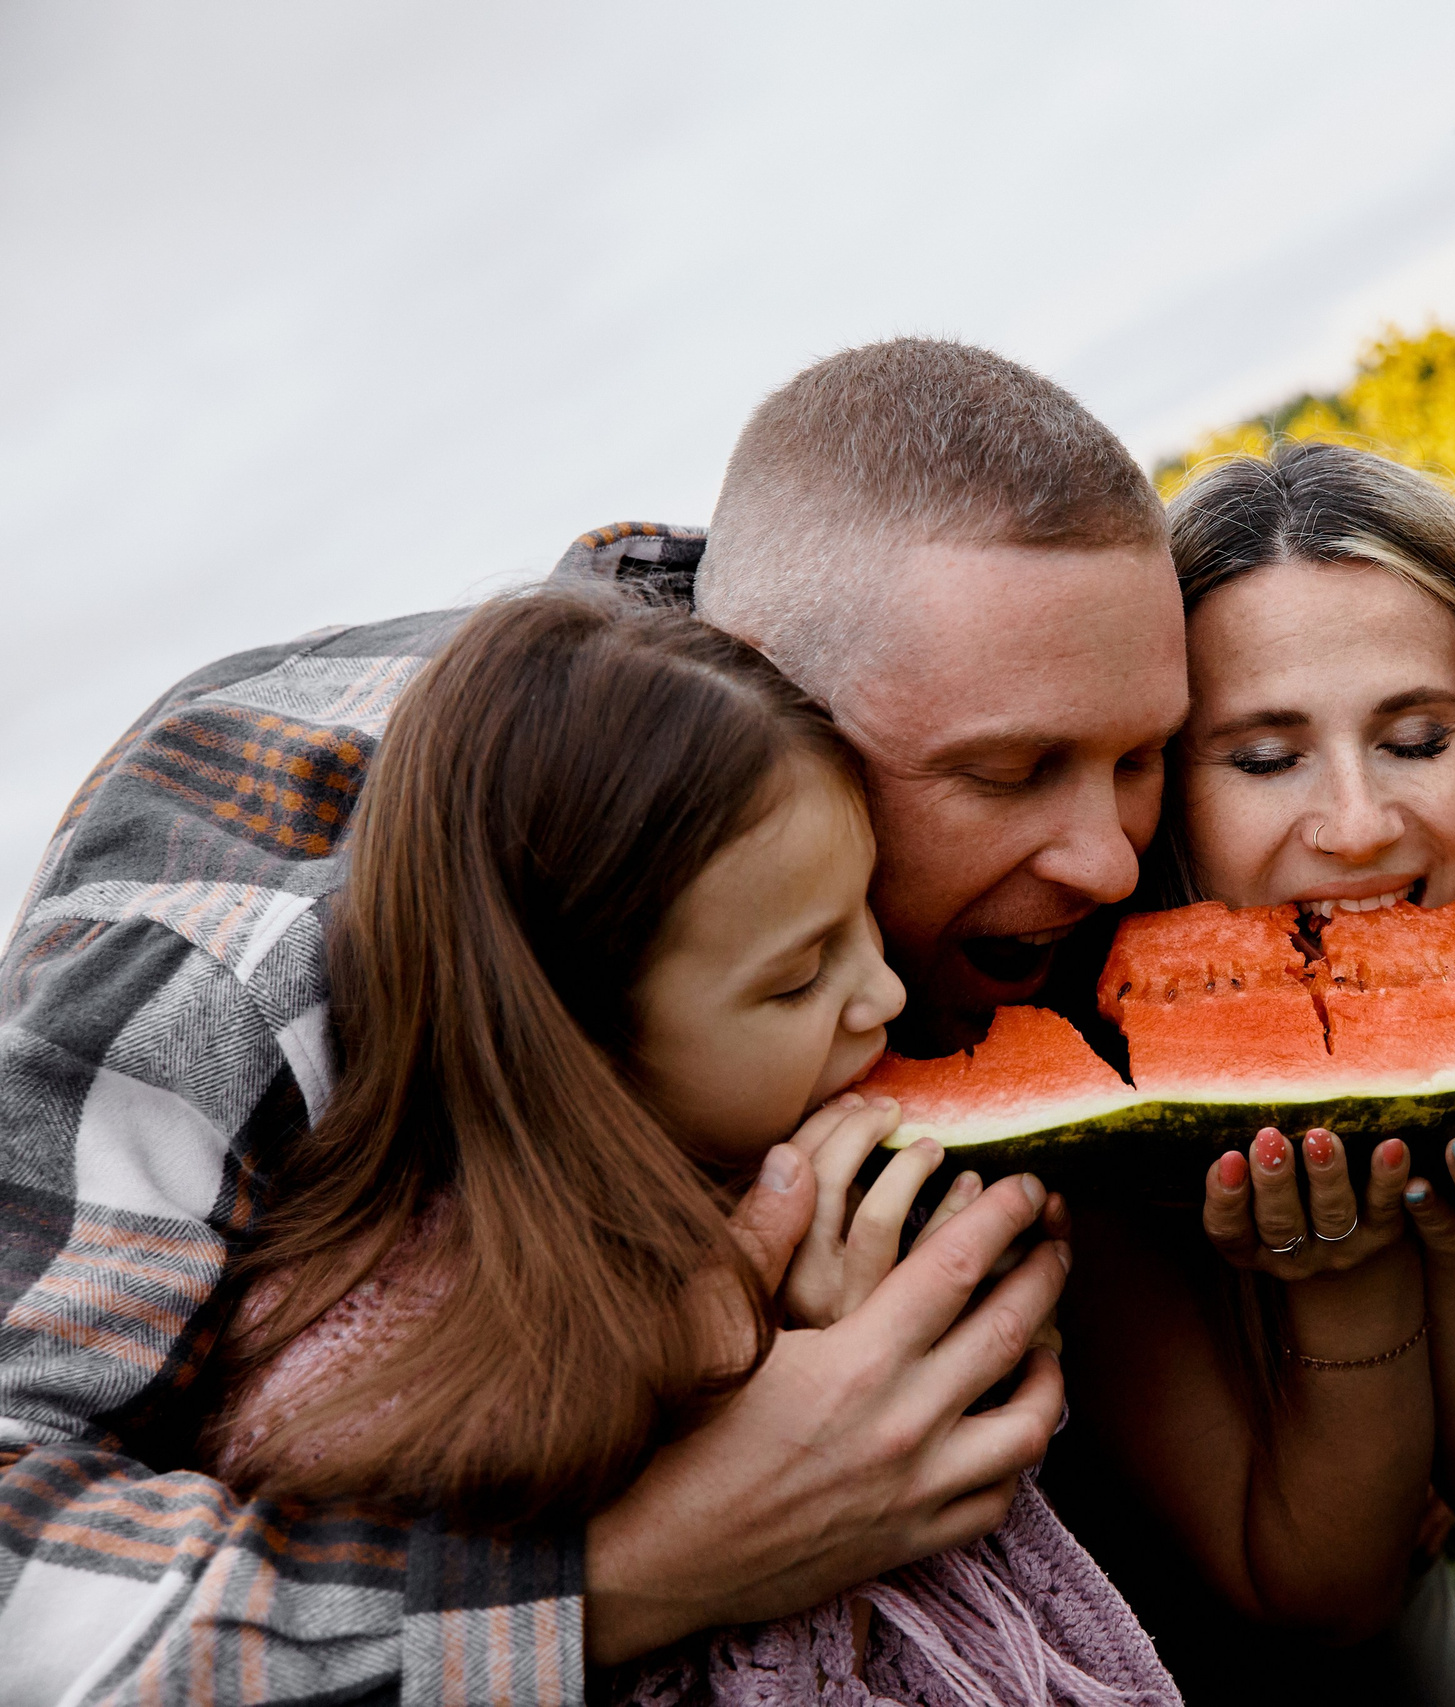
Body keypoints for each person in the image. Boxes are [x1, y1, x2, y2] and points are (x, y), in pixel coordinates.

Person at [0, 339, 1187, 1701]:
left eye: (1145, 755)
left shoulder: (988, 671)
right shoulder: (239, 953)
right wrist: (638, 1567)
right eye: (1009, 772)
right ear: (772, 714)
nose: (1106, 860)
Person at [201, 587, 1173, 1707]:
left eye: (865, 913)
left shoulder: (764, 1157)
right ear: (580, 1040)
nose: (885, 992)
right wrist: (768, 1366)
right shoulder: (388, 1386)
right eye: (802, 976)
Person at [1048, 442, 1455, 1706]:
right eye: (1266, 759)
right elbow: (1323, 1598)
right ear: (1168, 792)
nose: (1355, 826)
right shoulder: (1098, 1103)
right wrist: (1338, 1284)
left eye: (1414, 737)